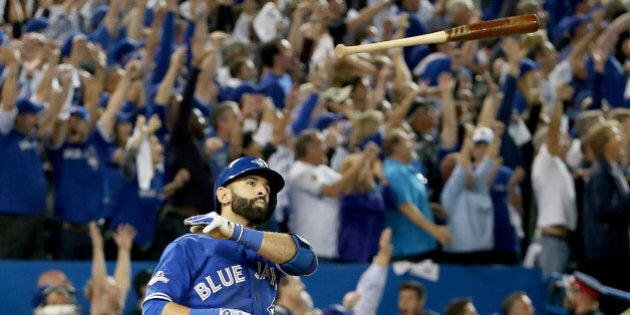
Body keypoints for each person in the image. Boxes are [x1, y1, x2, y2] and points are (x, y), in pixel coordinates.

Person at [142, 156, 318, 314]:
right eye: (251, 183)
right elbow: (153, 309)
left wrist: (235, 232)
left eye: (266, 188)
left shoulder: (268, 249)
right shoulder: (189, 246)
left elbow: (307, 260)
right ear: (224, 195)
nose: (262, 191)